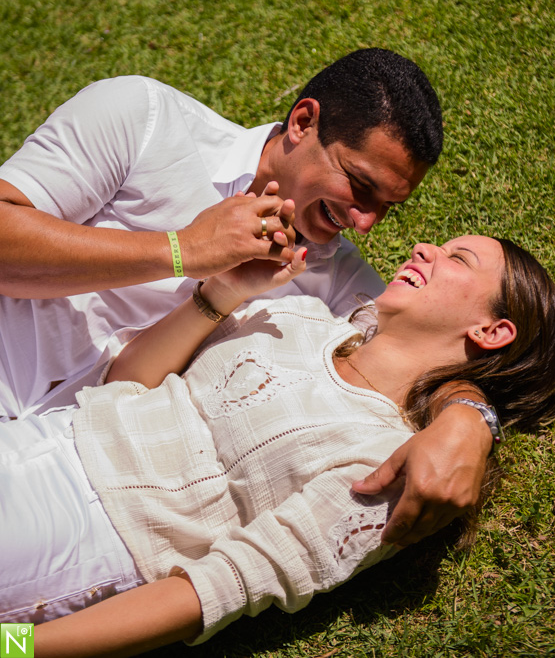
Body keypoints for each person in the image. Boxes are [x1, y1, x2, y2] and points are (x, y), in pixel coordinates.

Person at [0, 231, 555, 658]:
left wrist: (21, 647)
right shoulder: (305, 317)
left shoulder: (388, 463)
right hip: (49, 432)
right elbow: (125, 386)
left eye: (457, 258)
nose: (423, 250)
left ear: (491, 332)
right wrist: (219, 295)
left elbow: (216, 590)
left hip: (88, 531)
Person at [0, 47, 488, 545]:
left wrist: (470, 421)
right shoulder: (143, 120)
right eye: (359, 185)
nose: (365, 221)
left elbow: (427, 358)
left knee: (15, 628)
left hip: (71, 487)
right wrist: (182, 250)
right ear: (303, 121)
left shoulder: (339, 286)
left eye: (386, 207)